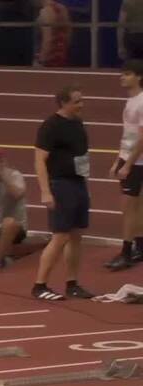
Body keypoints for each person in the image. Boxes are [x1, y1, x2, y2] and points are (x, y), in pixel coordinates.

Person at [33, 85, 94, 301]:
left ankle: (72, 283)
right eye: (77, 101)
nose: (81, 105)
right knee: (60, 236)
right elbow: (39, 160)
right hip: (60, 184)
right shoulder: (51, 126)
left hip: (78, 183)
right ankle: (40, 285)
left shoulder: (78, 123)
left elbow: (81, 156)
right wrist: (45, 191)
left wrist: (85, 184)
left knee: (76, 236)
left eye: (82, 100)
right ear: (63, 103)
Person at [108, 60, 143, 272]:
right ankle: (140, 247)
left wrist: (127, 164)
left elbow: (142, 138)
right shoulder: (131, 101)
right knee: (137, 206)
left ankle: (126, 253)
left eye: (127, 74)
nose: (122, 77)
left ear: (139, 77)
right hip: (129, 158)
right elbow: (127, 135)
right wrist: (118, 160)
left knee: (128, 208)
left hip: (136, 161)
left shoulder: (141, 102)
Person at [37, 0, 71, 68]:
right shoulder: (63, 9)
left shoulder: (45, 12)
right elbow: (68, 36)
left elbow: (47, 40)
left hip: (48, 60)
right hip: (62, 58)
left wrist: (41, 61)